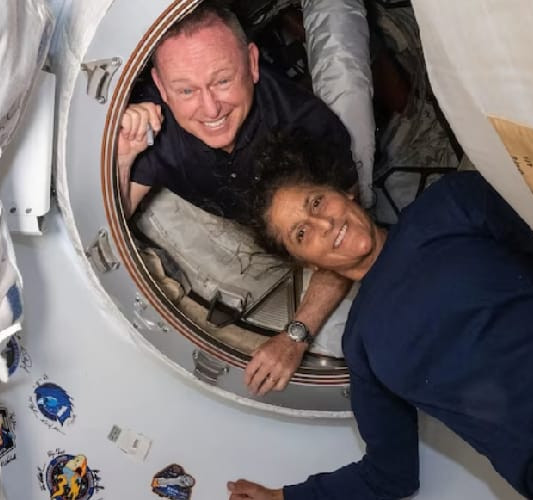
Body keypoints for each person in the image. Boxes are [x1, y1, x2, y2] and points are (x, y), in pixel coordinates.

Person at [227, 135, 533, 499]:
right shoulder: (361, 344)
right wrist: (283, 498)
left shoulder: (450, 204)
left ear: (345, 192)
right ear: (305, 263)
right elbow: (390, 475)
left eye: (317, 202)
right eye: (301, 233)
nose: (324, 223)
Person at [116, 2, 359, 395]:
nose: (210, 108)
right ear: (161, 87)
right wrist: (125, 154)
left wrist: (295, 336)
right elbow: (113, 219)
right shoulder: (154, 123)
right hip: (225, 220)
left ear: (252, 63)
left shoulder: (308, 128)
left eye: (223, 81)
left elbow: (349, 240)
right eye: (186, 90)